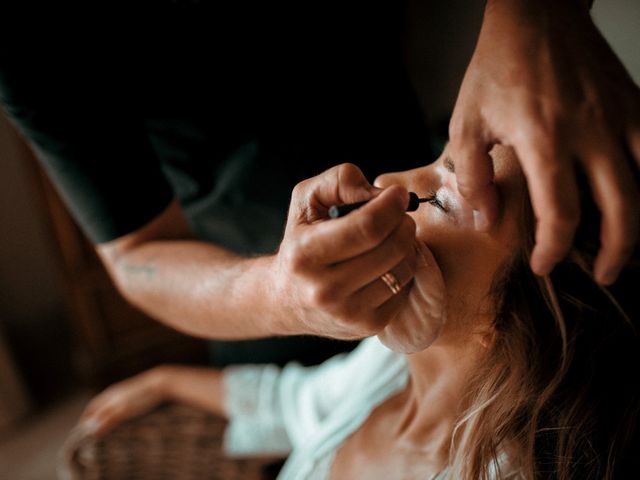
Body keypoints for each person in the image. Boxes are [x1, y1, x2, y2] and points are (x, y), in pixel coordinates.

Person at [0, 0, 638, 359]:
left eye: (444, 188)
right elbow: (136, 254)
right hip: (253, 300)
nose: (388, 180)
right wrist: (277, 294)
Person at [76, 145, 640, 479]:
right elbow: (288, 402)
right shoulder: (386, 371)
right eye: (438, 157)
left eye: (442, 200)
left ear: (509, 319)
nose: (391, 180)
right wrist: (163, 379)